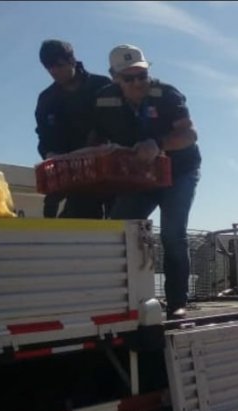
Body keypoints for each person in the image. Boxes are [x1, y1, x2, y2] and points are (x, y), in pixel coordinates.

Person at [92, 44, 201, 319]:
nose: (138, 83)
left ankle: (177, 301)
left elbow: (189, 135)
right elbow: (95, 137)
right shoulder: (104, 99)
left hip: (179, 172)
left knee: (172, 234)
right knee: (118, 229)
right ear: (114, 77)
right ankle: (119, 298)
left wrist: (159, 143)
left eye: (142, 75)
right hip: (141, 177)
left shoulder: (166, 94)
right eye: (129, 78)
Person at [34, 39, 113, 219]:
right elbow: (43, 136)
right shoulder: (47, 99)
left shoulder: (103, 86)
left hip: (108, 170)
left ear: (71, 60)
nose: (54, 71)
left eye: (58, 65)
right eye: (48, 67)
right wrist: (48, 153)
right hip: (73, 174)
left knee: (117, 223)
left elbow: (119, 122)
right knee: (75, 221)